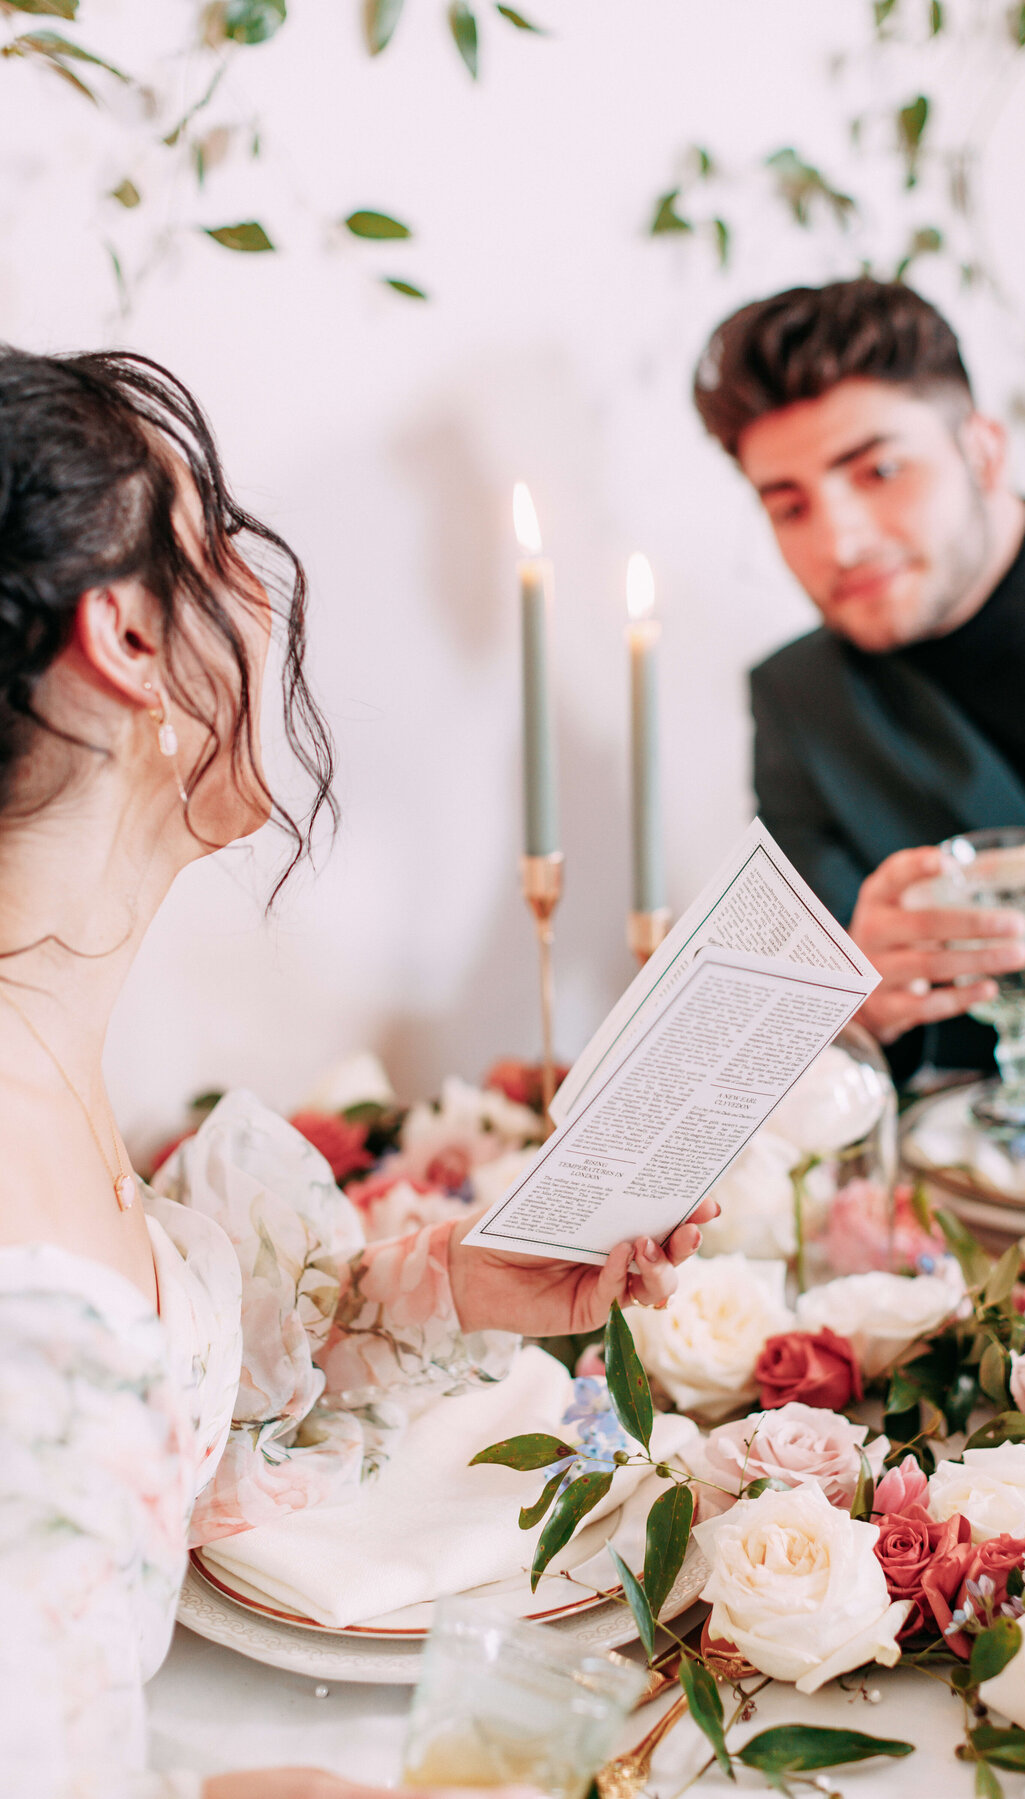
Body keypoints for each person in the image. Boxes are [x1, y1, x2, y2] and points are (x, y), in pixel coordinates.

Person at [0, 346, 716, 1798]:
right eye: (224, 548)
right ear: (127, 637)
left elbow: (155, 1398)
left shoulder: (52, 1043)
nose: (263, 602)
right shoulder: (27, 1304)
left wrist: (441, 1279)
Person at [693, 276, 1025, 1078]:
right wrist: (862, 1006)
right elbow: (822, 1054)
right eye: (790, 508)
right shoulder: (800, 704)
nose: (841, 542)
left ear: (984, 449)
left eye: (880, 471)